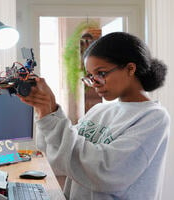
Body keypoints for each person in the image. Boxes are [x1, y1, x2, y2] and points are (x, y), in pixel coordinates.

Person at [18, 32, 170, 200]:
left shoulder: (153, 117)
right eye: (90, 76)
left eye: (101, 73)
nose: (95, 83)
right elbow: (60, 155)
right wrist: (44, 111)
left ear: (130, 69)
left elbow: (106, 172)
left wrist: (52, 112)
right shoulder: (99, 110)